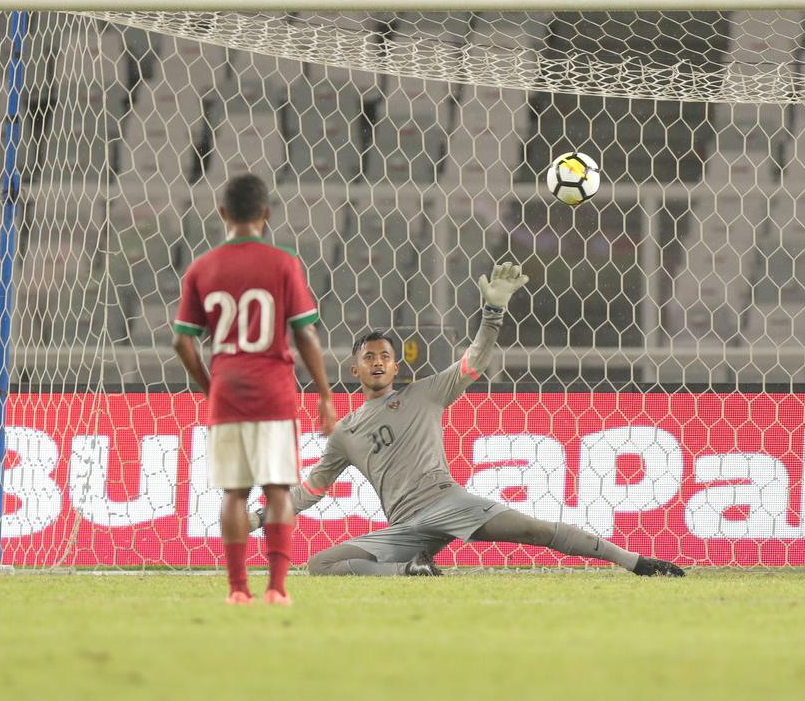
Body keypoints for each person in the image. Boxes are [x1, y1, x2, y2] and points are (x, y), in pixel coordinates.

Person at [250, 263, 684, 578]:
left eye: (385, 356)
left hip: (449, 504)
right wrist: (259, 517)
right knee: (321, 564)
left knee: (534, 530)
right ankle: (411, 570)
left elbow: (474, 361)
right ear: (355, 369)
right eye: (369, 357)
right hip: (405, 529)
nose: (377, 362)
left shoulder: (424, 393)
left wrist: (492, 314)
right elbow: (310, 491)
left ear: (397, 367)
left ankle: (636, 562)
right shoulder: (345, 433)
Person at [173, 173, 337, 605]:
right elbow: (305, 334)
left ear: (222, 213)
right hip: (273, 394)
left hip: (228, 394)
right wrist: (324, 394)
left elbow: (182, 342)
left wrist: (210, 386)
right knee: (278, 490)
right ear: (266, 213)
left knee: (234, 493)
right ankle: (277, 589)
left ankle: (237, 589)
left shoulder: (202, 268)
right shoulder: (284, 263)